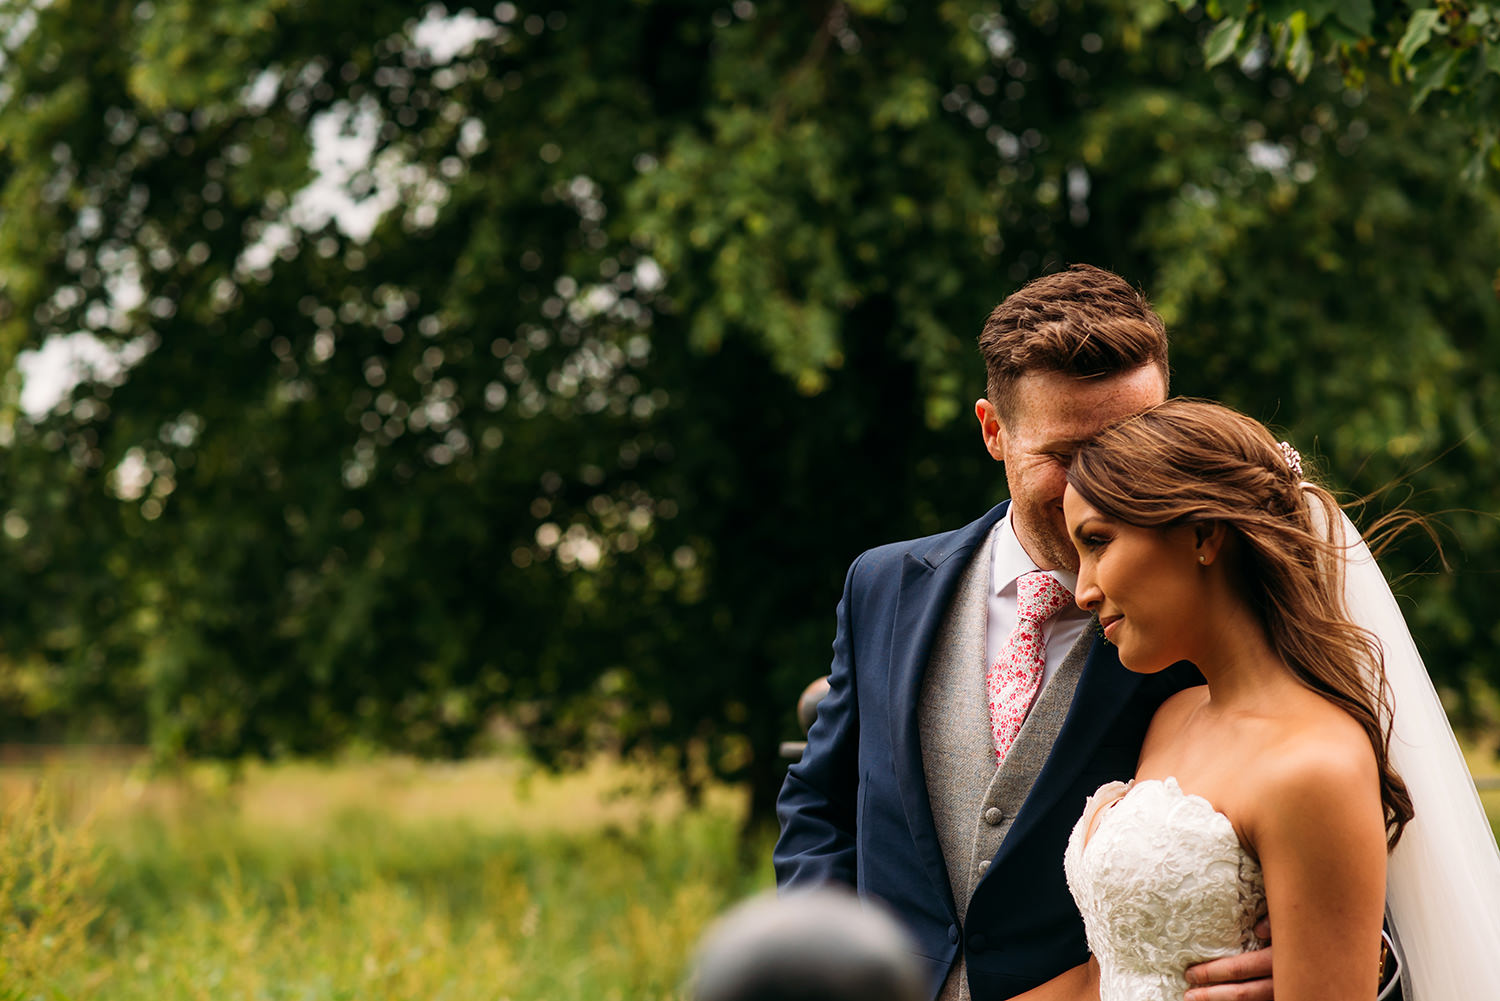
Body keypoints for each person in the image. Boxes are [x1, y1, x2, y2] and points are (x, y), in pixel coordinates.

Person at [774, 266, 1266, 1000]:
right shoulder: (881, 585)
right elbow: (821, 804)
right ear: (994, 431)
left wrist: (1342, 961)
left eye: (1134, 441)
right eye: (1068, 457)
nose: (1109, 483)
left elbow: (1333, 806)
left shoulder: (1219, 610)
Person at [1027, 398, 1500, 1001]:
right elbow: (1108, 976)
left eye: (1098, 541)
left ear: (1202, 535)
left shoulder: (1314, 764)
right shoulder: (1170, 718)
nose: (1085, 590)